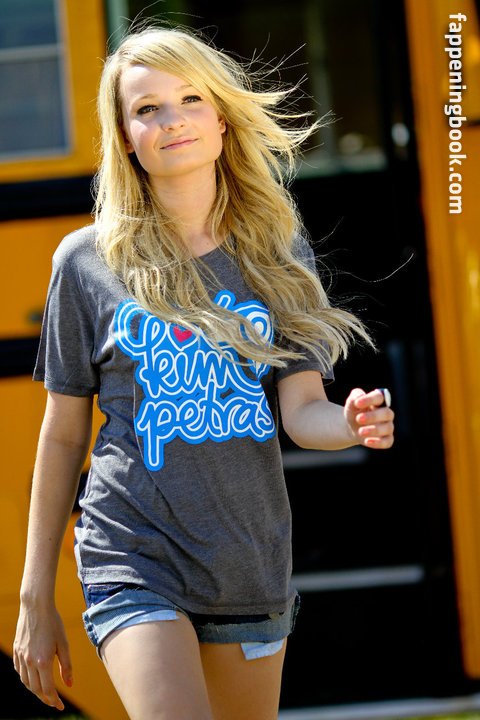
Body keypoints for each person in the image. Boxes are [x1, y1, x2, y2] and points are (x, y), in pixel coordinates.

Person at [13, 25, 394, 720]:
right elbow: (63, 434)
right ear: (126, 137)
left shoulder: (276, 251)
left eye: (190, 98)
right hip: (131, 553)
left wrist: (347, 423)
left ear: (221, 118)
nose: (172, 119)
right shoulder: (85, 262)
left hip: (246, 559)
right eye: (147, 108)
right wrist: (35, 593)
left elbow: (301, 410)